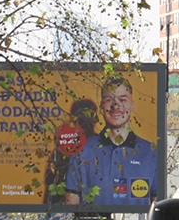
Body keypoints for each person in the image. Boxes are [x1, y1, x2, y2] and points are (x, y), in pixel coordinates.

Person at [63, 76, 158, 205]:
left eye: (122, 99)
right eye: (109, 100)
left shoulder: (151, 153)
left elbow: (157, 207)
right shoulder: (82, 150)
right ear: (102, 106)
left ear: (132, 105)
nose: (116, 106)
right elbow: (71, 205)